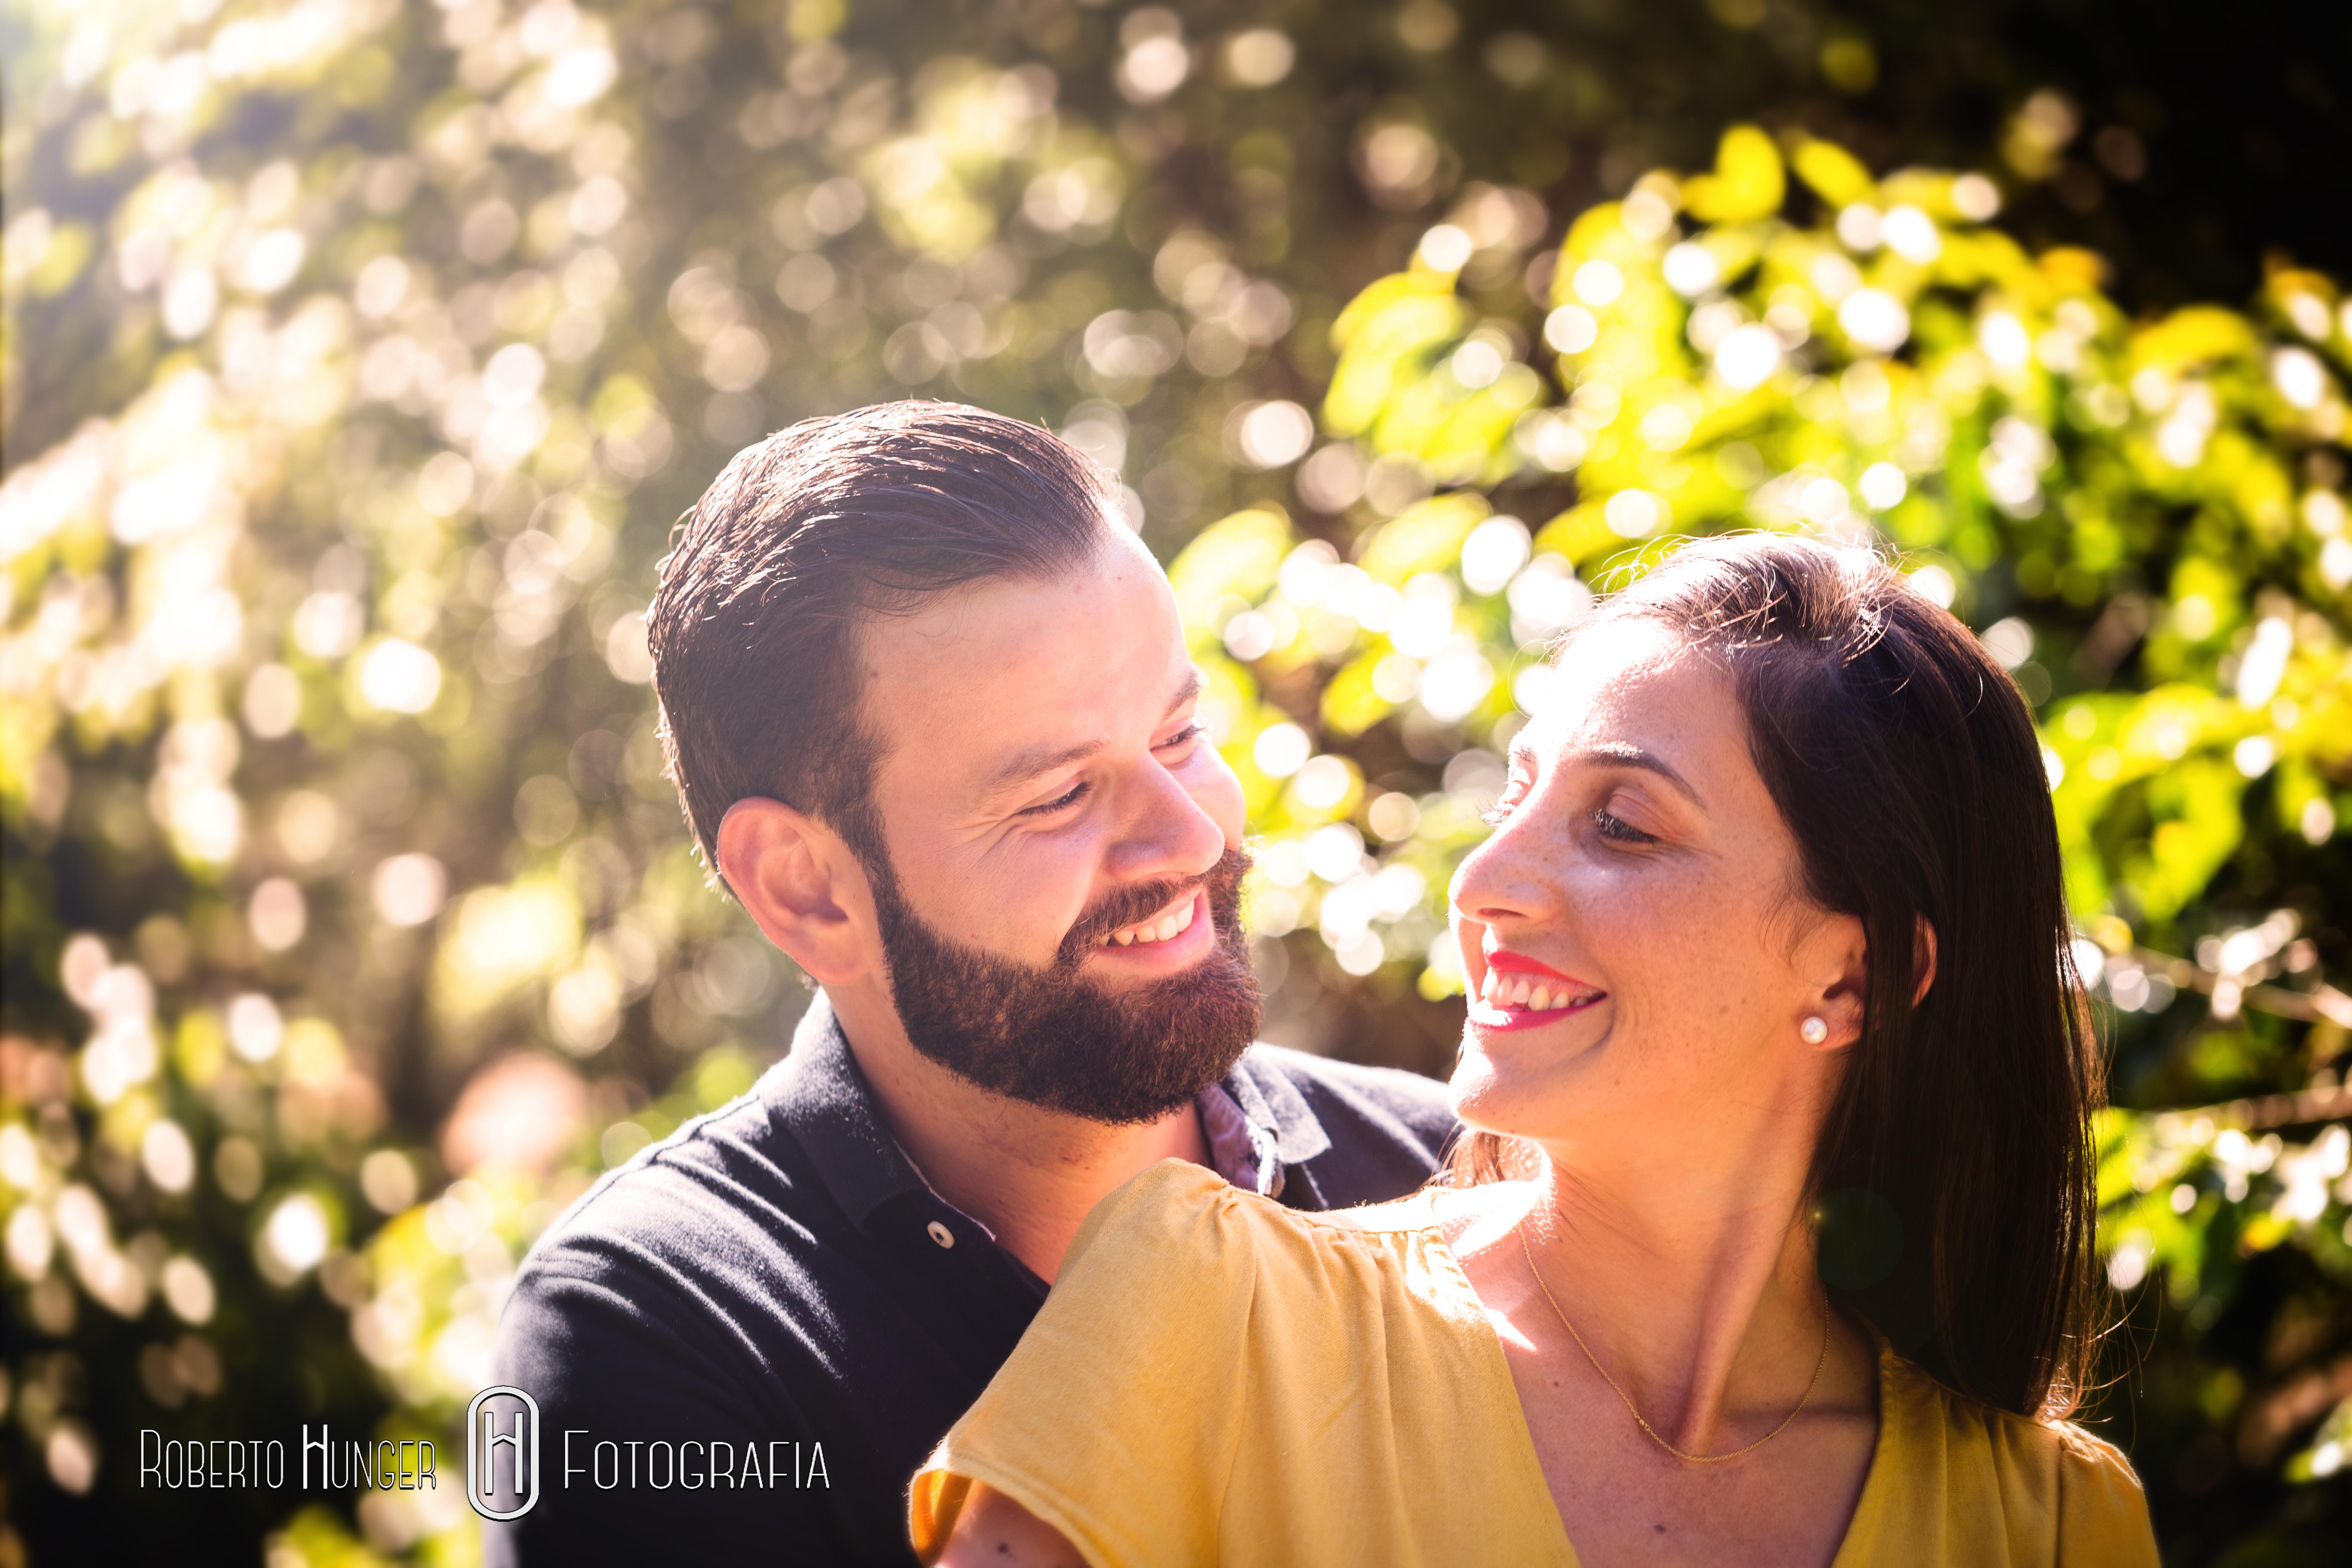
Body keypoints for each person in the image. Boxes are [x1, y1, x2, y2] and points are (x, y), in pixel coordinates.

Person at [914, 533, 2161, 1567]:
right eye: (1515, 796)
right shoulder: (1211, 1316)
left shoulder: (2052, 1525)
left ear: (1857, 976)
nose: (1484, 881)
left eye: (1621, 825)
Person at [484, 403, 1455, 1565]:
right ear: (806, 889)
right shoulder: (655, 1347)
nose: (1192, 836)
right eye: (1058, 797)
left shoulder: (1453, 1181)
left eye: (1181, 735)